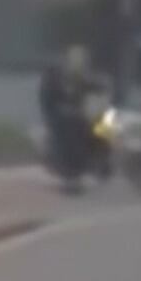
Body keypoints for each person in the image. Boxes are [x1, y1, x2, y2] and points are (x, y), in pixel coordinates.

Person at [38, 45, 106, 182]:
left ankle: (101, 158)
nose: (81, 62)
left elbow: (94, 86)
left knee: (105, 122)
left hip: (78, 114)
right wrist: (62, 108)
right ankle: (71, 169)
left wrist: (102, 88)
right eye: (77, 59)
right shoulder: (57, 77)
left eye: (83, 60)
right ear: (69, 60)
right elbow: (48, 100)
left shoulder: (82, 77)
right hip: (59, 116)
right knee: (74, 125)